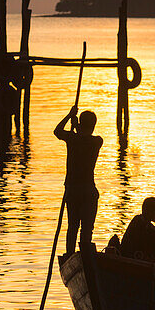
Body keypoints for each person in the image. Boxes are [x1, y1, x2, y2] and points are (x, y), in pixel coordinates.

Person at [55, 107, 103, 254]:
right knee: (86, 228)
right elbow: (84, 137)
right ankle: (85, 254)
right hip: (87, 190)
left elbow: (57, 131)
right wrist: (76, 126)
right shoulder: (97, 141)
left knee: (73, 227)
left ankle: (70, 254)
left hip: (74, 190)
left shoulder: (72, 139)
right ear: (94, 125)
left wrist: (69, 116)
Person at [121, 197, 155, 263]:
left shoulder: (144, 222)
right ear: (149, 211)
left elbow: (153, 229)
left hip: (142, 256)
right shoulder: (138, 224)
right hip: (135, 258)